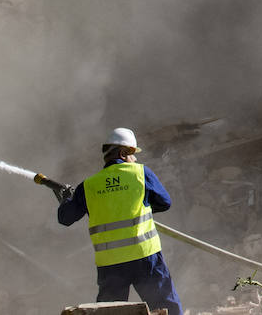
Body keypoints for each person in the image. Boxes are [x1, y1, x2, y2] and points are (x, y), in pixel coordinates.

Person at [57, 127, 182, 315]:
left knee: (109, 312)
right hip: (145, 257)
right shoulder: (140, 174)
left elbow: (65, 218)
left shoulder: (89, 185)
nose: (135, 159)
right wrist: (143, 206)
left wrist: (66, 199)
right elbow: (165, 203)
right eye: (133, 154)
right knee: (165, 306)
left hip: (110, 264)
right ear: (123, 153)